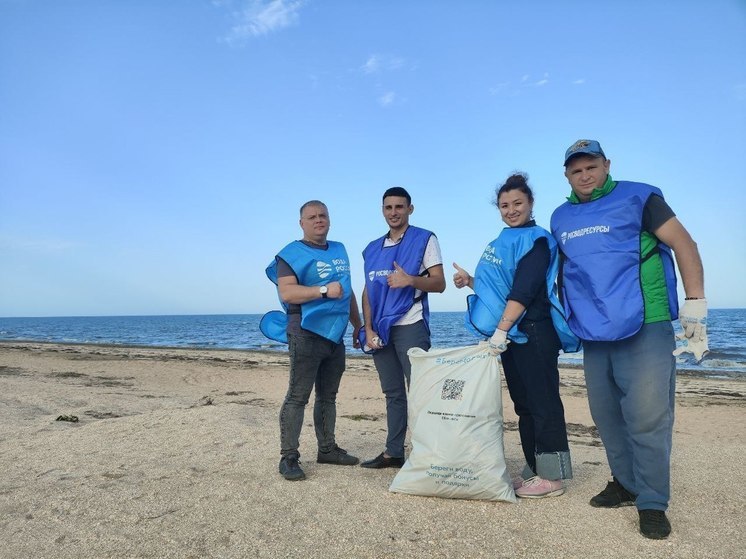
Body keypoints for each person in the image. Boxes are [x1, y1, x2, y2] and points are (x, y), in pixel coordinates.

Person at [550, 139, 708, 539]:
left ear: (606, 165)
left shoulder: (640, 197)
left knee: (648, 416)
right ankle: (625, 482)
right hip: (594, 330)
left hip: (646, 321)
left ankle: (652, 501)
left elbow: (684, 244)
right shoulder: (561, 216)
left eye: (591, 166)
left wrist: (695, 305)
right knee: (607, 415)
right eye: (576, 170)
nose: (584, 175)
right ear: (567, 175)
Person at [453, 173, 580, 498]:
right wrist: (470, 281)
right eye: (504, 205)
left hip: (534, 332)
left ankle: (553, 478)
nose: (511, 210)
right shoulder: (502, 240)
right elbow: (500, 287)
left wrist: (500, 331)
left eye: (517, 204)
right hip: (511, 336)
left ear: (530, 203)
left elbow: (524, 289)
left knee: (543, 402)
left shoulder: (538, 240)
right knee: (523, 405)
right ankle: (534, 467)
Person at [260, 200, 363, 481]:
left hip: (336, 334)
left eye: (323, 215)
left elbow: (347, 291)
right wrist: (323, 290)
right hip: (305, 333)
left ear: (329, 219)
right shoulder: (290, 254)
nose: (318, 220)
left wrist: (358, 325)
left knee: (328, 396)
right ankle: (289, 457)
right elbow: (288, 294)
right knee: (297, 396)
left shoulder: (340, 249)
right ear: (301, 223)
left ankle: (327, 449)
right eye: (312, 217)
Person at [358, 187, 446, 469]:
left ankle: (428, 455)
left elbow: (439, 283)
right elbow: (367, 292)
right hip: (381, 331)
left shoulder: (424, 239)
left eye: (399, 207)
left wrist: (410, 280)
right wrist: (367, 328)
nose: (394, 212)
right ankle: (393, 452)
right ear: (382, 210)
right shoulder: (372, 248)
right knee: (393, 393)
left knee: (421, 391)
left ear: (410, 208)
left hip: (411, 324)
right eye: (388, 207)